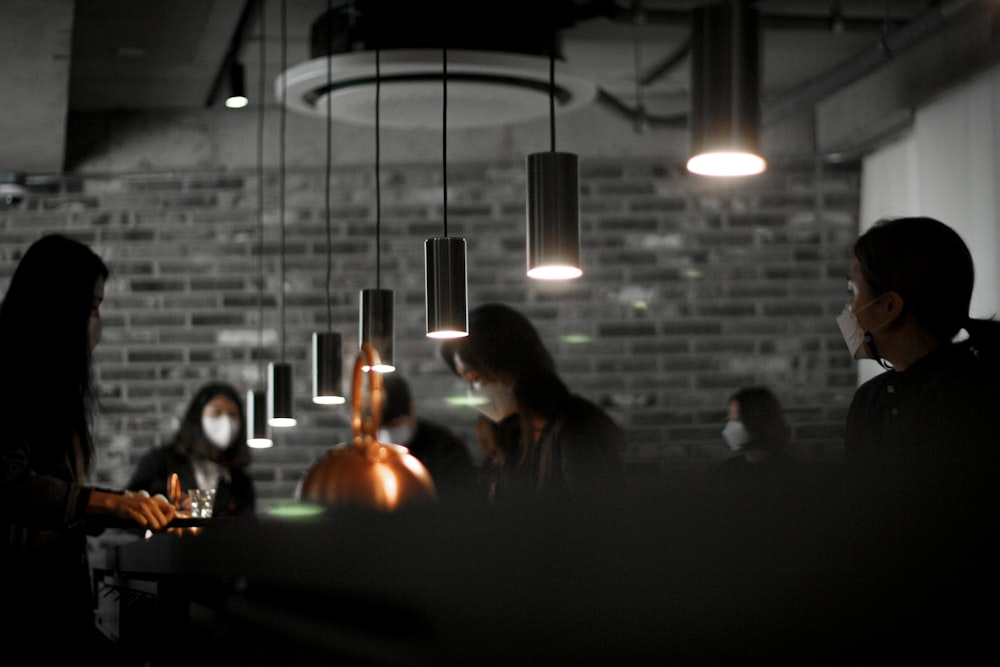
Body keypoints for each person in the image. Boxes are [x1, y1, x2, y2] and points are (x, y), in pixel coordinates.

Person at [0, 234, 177, 655]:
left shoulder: (50, 386)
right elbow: (11, 483)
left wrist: (129, 505)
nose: (97, 323)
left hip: (55, 602)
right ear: (59, 307)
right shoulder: (8, 380)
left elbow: (60, 493)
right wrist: (110, 505)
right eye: (92, 307)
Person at [835, 215, 1000, 659]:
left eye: (852, 293)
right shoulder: (872, 399)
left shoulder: (971, 401)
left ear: (889, 307)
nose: (846, 311)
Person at [439, 302, 625, 503]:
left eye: (475, 378)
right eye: (467, 382)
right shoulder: (510, 437)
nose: (473, 392)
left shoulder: (576, 430)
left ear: (507, 365)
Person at [129, 382, 255, 517]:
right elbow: (130, 509)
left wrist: (200, 506)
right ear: (198, 416)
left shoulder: (239, 480)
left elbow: (244, 527)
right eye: (216, 412)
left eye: (232, 414)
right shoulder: (160, 462)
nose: (226, 421)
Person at [377, 373, 478, 501]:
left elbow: (463, 500)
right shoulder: (370, 452)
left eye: (395, 425)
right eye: (382, 428)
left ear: (412, 409)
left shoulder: (445, 448)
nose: (389, 433)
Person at [708, 386, 799, 505]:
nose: (727, 424)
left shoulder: (789, 475)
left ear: (754, 423)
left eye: (734, 418)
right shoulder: (728, 470)